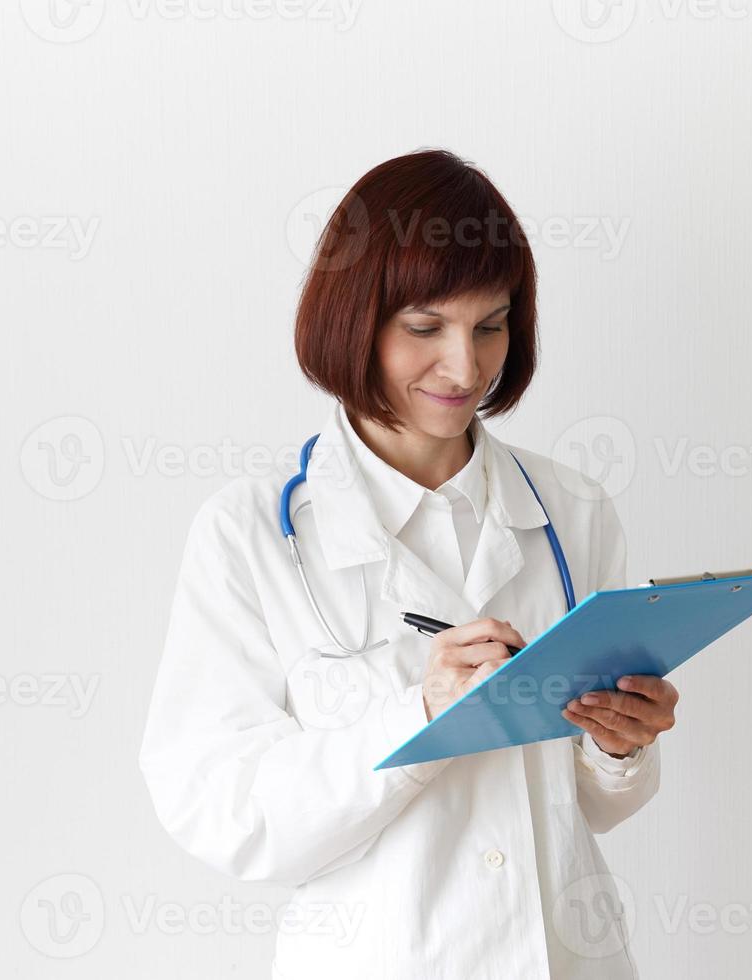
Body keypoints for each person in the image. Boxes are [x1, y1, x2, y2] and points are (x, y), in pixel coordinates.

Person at [140, 148, 679, 979]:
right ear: (354, 320)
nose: (465, 369)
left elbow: (592, 810)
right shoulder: (250, 535)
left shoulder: (573, 513)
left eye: (490, 326)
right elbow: (221, 810)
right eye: (426, 328)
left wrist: (621, 748)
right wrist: (417, 716)